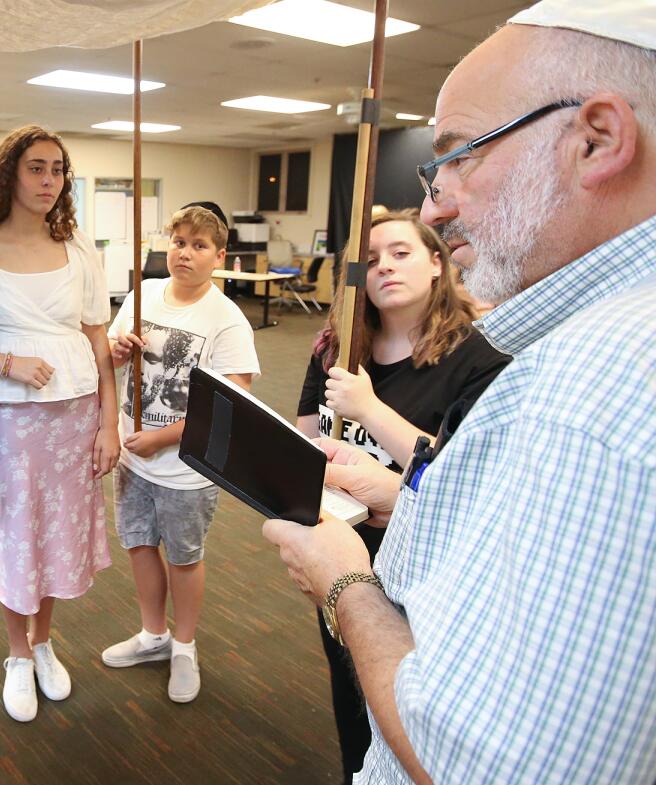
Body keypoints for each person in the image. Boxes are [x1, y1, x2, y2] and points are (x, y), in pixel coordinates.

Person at [263, 4, 656, 783]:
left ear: (597, 138)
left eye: (462, 155)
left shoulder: (594, 391)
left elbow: (484, 763)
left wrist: (347, 582)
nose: (438, 203)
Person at [295, 209, 508, 783]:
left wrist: (367, 409)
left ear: (437, 263)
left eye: (402, 252)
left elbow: (461, 472)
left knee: (416, 716)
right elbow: (307, 435)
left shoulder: (479, 359)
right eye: (371, 259)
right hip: (343, 556)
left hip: (424, 572)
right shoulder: (338, 350)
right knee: (352, 701)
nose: (384, 266)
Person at [0, 125, 119, 722]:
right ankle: (16, 654)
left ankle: (44, 643)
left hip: (76, 412)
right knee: (20, 531)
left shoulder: (77, 247)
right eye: (36, 168)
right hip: (14, 417)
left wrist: (110, 424)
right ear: (9, 173)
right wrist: (6, 363)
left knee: (60, 533)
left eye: (57, 170)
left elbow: (99, 343)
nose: (49, 181)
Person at [102, 205, 260, 703]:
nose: (184, 253)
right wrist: (116, 349)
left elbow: (235, 404)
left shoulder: (226, 319)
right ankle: (154, 635)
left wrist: (162, 437)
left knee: (184, 557)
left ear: (219, 255)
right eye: (177, 241)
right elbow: (109, 352)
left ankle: (185, 647)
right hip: (132, 458)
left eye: (198, 245)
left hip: (185, 469)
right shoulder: (143, 294)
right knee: (140, 545)